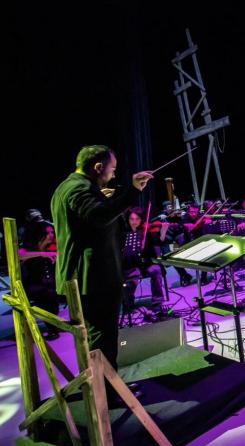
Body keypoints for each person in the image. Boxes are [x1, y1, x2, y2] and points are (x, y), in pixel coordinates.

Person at [51, 145, 153, 369]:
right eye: (112, 169)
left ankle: (100, 383)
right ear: (98, 167)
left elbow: (89, 222)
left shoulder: (69, 186)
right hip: (93, 278)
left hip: (90, 277)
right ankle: (105, 387)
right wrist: (132, 191)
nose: (113, 175)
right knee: (102, 338)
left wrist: (106, 198)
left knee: (98, 335)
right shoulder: (78, 189)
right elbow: (99, 216)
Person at [19, 220, 61, 340]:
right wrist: (42, 254)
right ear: (40, 234)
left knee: (53, 294)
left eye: (52, 232)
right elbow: (19, 254)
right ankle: (52, 328)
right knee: (46, 296)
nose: (51, 235)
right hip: (34, 284)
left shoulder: (52, 246)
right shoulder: (28, 248)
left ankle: (56, 325)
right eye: (49, 233)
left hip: (51, 283)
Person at [121, 207, 165, 311]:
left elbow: (159, 242)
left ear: (141, 220)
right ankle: (128, 302)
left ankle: (157, 302)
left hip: (146, 264)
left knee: (156, 270)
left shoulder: (146, 232)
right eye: (131, 219)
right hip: (131, 265)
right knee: (130, 279)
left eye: (137, 219)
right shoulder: (124, 235)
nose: (134, 222)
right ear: (128, 220)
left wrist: (164, 230)